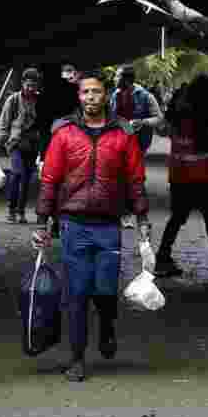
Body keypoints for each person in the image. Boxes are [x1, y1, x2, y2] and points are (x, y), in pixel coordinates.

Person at [33, 70, 151, 383]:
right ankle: (76, 358)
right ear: (79, 95)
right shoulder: (64, 133)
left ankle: (108, 325)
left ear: (105, 95)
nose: (90, 98)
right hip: (73, 225)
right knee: (77, 292)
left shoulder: (123, 134)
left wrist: (142, 223)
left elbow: (136, 180)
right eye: (85, 92)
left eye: (96, 92)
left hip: (108, 225)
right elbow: (49, 180)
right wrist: (43, 223)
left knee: (105, 290)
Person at [154, 76, 208, 277]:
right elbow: (206, 144)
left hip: (180, 173)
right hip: (203, 174)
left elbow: (167, 131)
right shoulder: (203, 113)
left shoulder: (176, 113)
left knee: (177, 217)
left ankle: (162, 257)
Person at [109, 63, 163, 227]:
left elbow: (159, 118)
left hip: (138, 143)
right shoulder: (115, 95)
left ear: (127, 79)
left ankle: (141, 216)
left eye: (117, 76)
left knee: (135, 179)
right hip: (118, 142)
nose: (114, 79)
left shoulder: (145, 96)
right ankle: (124, 214)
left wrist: (143, 122)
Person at [0, 66, 43, 224]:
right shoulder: (14, 99)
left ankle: (21, 211)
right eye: (28, 85)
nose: (30, 88)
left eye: (33, 85)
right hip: (16, 143)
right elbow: (4, 121)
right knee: (17, 173)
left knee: (27, 178)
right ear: (23, 83)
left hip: (33, 144)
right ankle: (11, 209)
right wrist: (0, 141)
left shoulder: (40, 100)